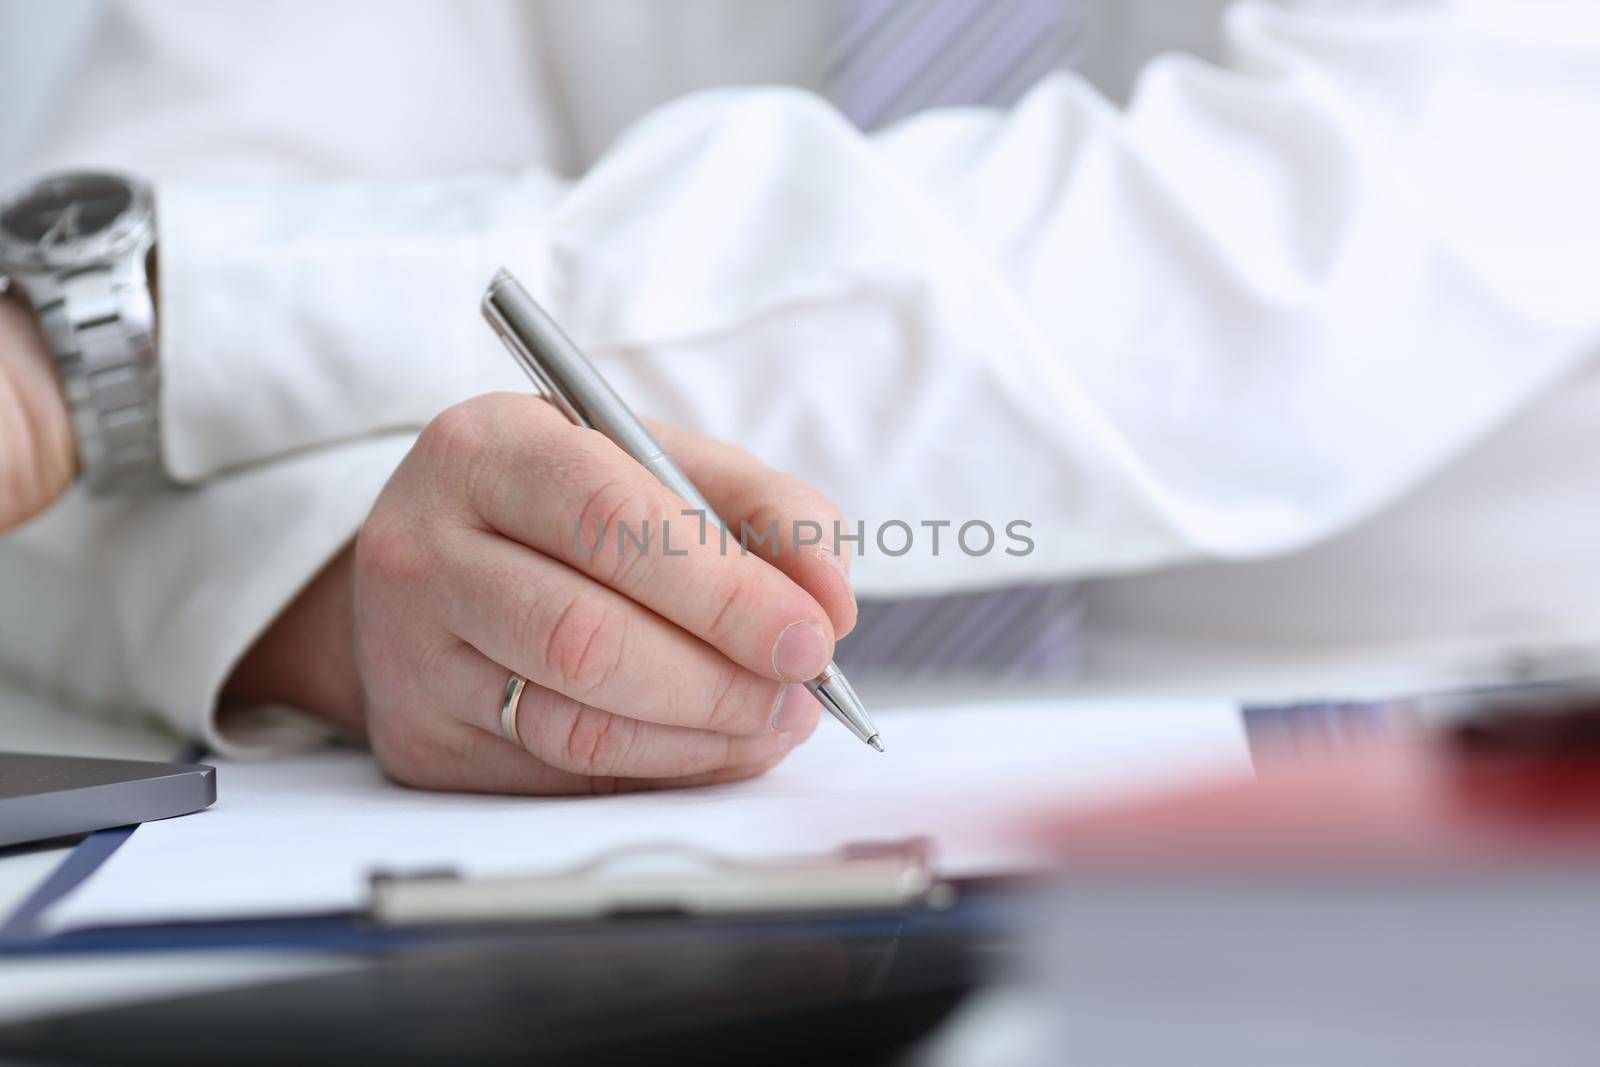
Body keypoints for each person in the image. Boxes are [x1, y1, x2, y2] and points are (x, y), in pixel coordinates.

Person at [2, 0, 1599, 793]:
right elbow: (148, 282)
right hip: (570, 895)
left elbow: (1277, 265)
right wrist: (340, 597)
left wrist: (165, 327)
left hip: (1428, 811)